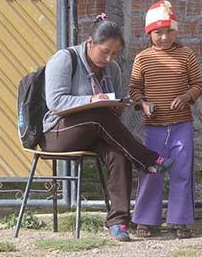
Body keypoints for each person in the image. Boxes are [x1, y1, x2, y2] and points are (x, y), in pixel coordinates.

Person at [40, 14, 175, 242]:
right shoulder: (65, 59)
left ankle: (118, 221)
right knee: (98, 114)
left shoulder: (112, 69)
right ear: (90, 42)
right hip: (56, 133)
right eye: (104, 51)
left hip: (94, 129)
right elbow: (55, 102)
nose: (109, 58)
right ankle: (147, 159)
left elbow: (113, 105)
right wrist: (91, 101)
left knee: (119, 154)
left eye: (114, 53)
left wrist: (117, 107)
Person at [130, 0, 202, 239]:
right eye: (158, 32)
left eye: (169, 31)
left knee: (182, 171)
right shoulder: (142, 59)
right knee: (152, 170)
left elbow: (198, 85)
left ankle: (180, 221)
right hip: (154, 129)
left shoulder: (187, 56)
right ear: (149, 33)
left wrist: (185, 97)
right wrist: (143, 103)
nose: (164, 37)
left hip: (182, 125)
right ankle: (145, 220)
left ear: (176, 31)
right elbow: (134, 89)